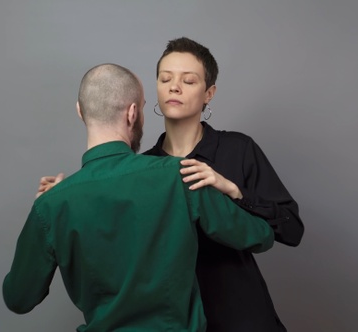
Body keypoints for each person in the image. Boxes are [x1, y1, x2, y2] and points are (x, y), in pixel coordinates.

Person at [38, 37, 304, 331]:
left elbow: (292, 230)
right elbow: (115, 234)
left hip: (240, 314)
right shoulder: (144, 167)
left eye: (188, 81)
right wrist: (65, 196)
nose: (174, 87)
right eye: (165, 79)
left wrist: (234, 190)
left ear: (209, 93)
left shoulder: (238, 149)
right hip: (173, 321)